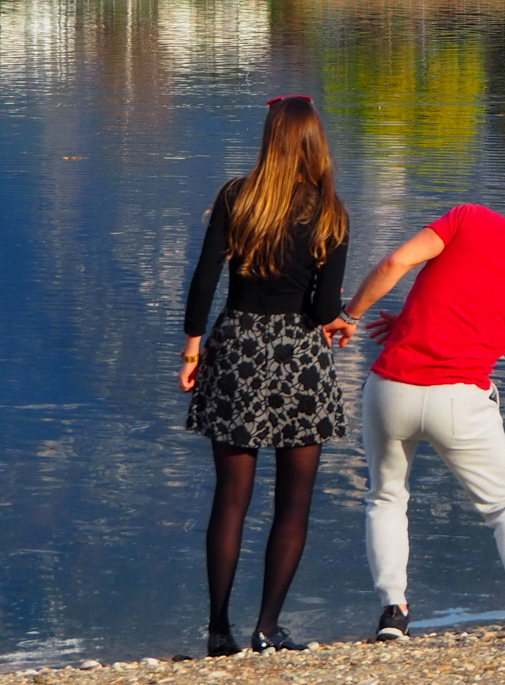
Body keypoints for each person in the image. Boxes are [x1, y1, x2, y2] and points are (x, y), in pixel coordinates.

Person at [327, 171, 505, 642]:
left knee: (386, 498)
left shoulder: (470, 218)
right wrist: (418, 322)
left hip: (391, 390)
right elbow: (481, 330)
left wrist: (351, 315)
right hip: (459, 402)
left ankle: (393, 614)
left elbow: (396, 262)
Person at [180, 96, 351, 656]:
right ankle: (267, 627)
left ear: (270, 137)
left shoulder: (237, 197)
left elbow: (204, 280)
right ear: (314, 141)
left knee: (231, 498)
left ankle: (218, 630)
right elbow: (323, 309)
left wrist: (192, 350)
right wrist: (338, 317)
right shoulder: (330, 212)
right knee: (293, 504)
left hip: (237, 347)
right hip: (299, 356)